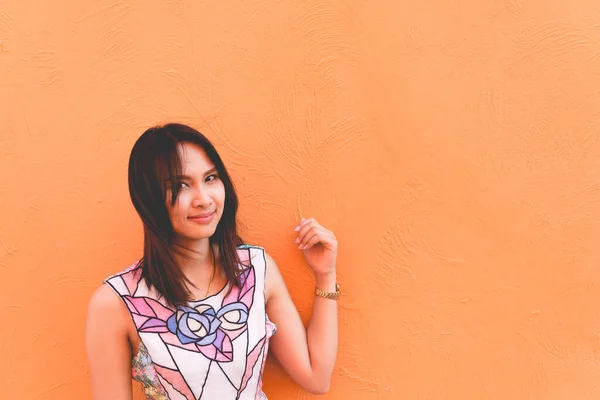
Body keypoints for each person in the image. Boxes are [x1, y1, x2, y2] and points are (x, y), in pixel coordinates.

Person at [86, 123, 339, 399]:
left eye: (210, 178)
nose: (204, 199)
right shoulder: (116, 302)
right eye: (180, 185)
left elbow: (317, 377)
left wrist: (326, 275)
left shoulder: (255, 269)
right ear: (148, 198)